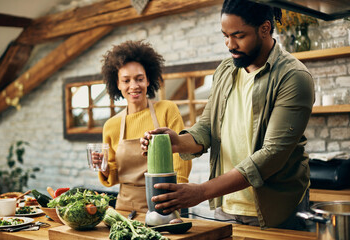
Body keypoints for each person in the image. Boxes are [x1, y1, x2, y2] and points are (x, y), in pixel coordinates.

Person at [141, 0, 314, 230]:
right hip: (227, 208)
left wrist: (201, 191)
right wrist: (177, 142)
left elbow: (271, 155)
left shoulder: (293, 77)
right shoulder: (226, 69)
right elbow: (207, 128)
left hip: (276, 211)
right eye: (225, 35)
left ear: (264, 29)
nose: (229, 44)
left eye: (238, 35)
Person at [98, 40, 192, 213]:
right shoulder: (111, 125)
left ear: (148, 80)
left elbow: (181, 155)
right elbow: (113, 175)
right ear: (118, 85)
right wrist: (103, 167)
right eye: (126, 80)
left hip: (164, 202)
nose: (133, 86)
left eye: (139, 79)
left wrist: (176, 194)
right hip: (125, 207)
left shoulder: (167, 110)